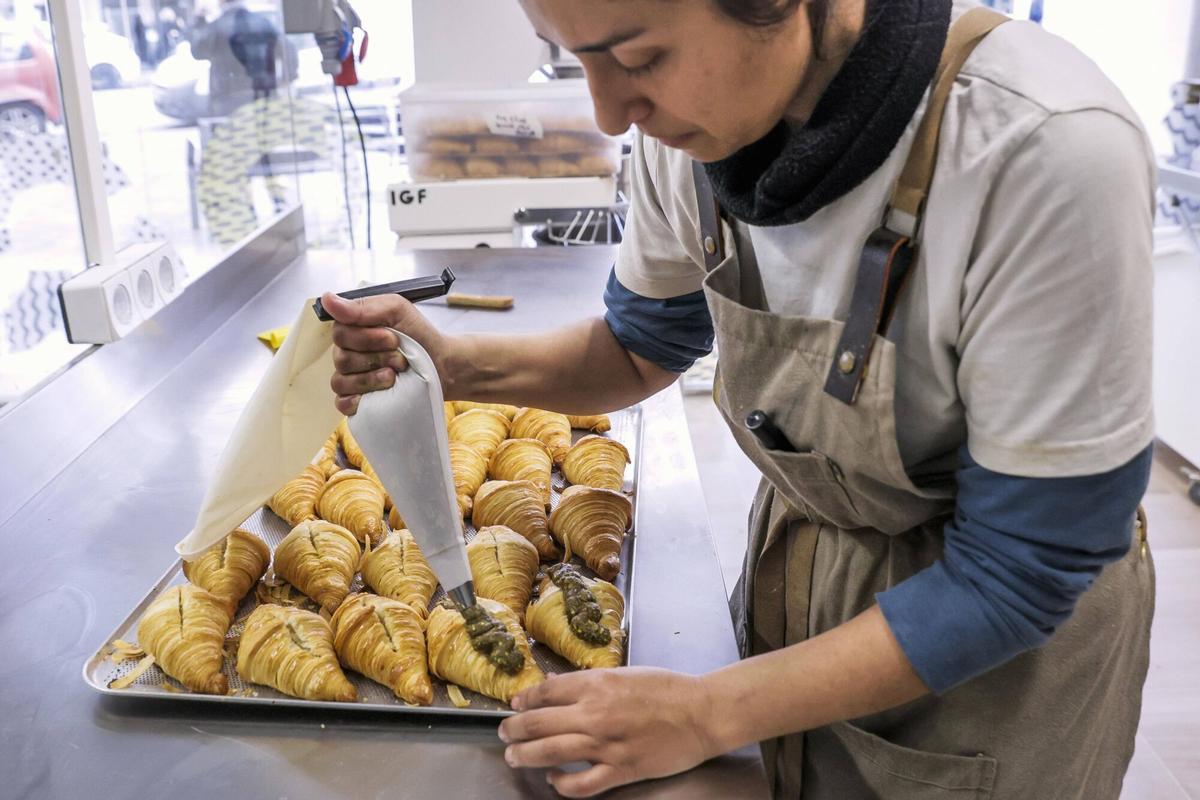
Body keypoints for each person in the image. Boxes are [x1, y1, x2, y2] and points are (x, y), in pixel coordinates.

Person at [322, 0, 1156, 797]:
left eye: (640, 56)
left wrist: (707, 712)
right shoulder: (685, 137)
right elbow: (639, 345)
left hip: (988, 662)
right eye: (575, 60)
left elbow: (1018, 574)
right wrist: (454, 366)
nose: (610, 115)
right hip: (800, 581)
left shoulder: (1043, 150)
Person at [188, 0, 297, 117]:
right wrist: (287, 78)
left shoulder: (215, 28)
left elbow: (197, 53)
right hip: (261, 93)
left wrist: (200, 21)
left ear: (221, 2)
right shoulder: (263, 23)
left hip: (228, 96)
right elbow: (288, 49)